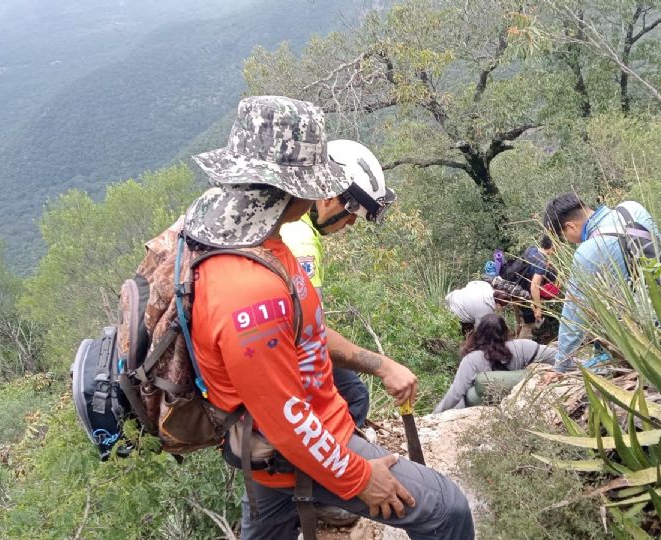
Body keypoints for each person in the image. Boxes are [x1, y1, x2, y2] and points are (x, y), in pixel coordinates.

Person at [185, 95, 474, 540]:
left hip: (262, 449)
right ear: (289, 185)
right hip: (293, 444)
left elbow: (303, 333)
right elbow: (285, 418)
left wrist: (380, 364)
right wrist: (358, 477)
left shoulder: (246, 237)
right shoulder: (248, 291)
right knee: (446, 510)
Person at [280, 139, 396, 431]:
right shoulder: (301, 239)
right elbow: (310, 329)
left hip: (272, 346)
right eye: (351, 216)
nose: (351, 225)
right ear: (330, 199)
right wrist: (383, 366)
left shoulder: (289, 224)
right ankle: (334, 468)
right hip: (286, 352)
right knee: (354, 395)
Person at [541, 192, 661, 375]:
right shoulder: (632, 208)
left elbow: (574, 316)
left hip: (644, 338)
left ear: (570, 226)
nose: (570, 242)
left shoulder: (587, 251)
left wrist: (560, 367)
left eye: (565, 237)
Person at [434, 313, 558, 413]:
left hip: (485, 405)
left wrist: (436, 415)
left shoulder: (472, 360)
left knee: (469, 394)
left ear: (478, 334)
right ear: (505, 331)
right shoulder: (522, 346)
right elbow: (555, 356)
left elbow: (456, 393)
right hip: (516, 396)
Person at [444, 280, 509, 336]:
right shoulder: (485, 310)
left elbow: (470, 283)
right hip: (456, 311)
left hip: (452, 296)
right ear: (499, 304)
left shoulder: (486, 286)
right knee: (468, 334)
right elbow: (479, 329)